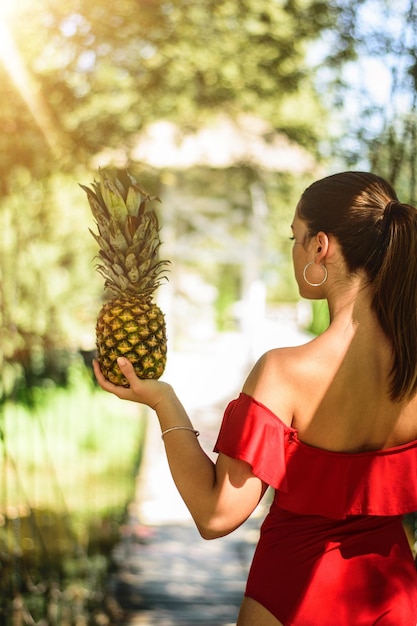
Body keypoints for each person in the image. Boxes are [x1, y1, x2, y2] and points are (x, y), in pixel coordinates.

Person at [93, 171, 417, 625]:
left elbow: (216, 514)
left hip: (292, 598)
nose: (292, 250)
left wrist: (163, 401)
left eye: (295, 238)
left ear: (320, 246)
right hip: (395, 597)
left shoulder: (284, 372)